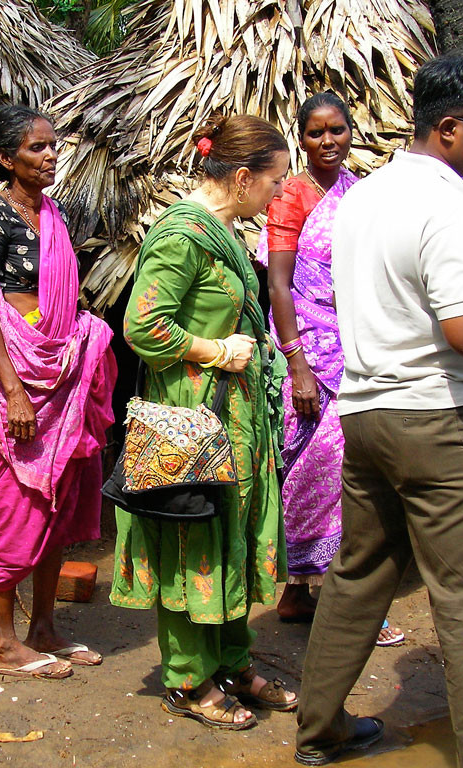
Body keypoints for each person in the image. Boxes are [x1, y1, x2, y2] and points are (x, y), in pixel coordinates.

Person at [294, 56, 463, 767]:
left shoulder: (363, 197)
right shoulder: (446, 203)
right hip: (440, 420)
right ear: (448, 129)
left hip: (368, 416)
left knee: (359, 574)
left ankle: (319, 730)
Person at [111, 114, 296, 729]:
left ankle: (233, 661)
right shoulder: (183, 236)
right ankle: (189, 680)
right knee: (195, 538)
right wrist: (216, 351)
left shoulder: (223, 229)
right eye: (273, 181)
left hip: (234, 416)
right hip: (195, 419)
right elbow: (143, 326)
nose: (277, 193)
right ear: (242, 177)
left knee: (231, 534)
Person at [0, 104, 117, 680]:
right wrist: (14, 389)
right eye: (37, 148)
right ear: (7, 158)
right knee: (16, 503)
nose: (51, 156)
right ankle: (3, 643)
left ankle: (44, 627)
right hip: (22, 379)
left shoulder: (53, 214)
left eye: (52, 146)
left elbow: (60, 292)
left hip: (63, 370)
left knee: (59, 501)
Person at [258, 92, 403, 646]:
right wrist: (296, 362)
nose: (328, 141)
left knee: (350, 470)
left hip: (356, 346)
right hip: (309, 349)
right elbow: (279, 284)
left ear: (350, 132)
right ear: (302, 138)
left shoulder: (359, 194)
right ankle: (343, 602)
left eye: (337, 130)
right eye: (316, 132)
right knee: (314, 468)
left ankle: (299, 594)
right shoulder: (291, 196)